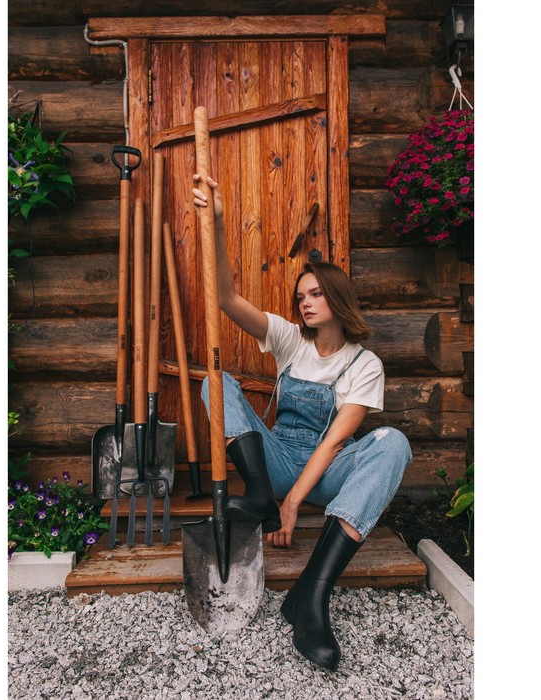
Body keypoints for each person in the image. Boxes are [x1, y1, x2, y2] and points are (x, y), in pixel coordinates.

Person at [192, 175, 412, 671]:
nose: (305, 303)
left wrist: (292, 503)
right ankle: (256, 494)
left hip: (325, 472)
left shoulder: (364, 365)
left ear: (337, 296)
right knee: (215, 381)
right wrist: (218, 222)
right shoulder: (290, 340)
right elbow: (226, 298)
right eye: (300, 297)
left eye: (315, 294)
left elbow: (334, 443)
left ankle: (311, 595)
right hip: (273, 462)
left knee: (393, 443)